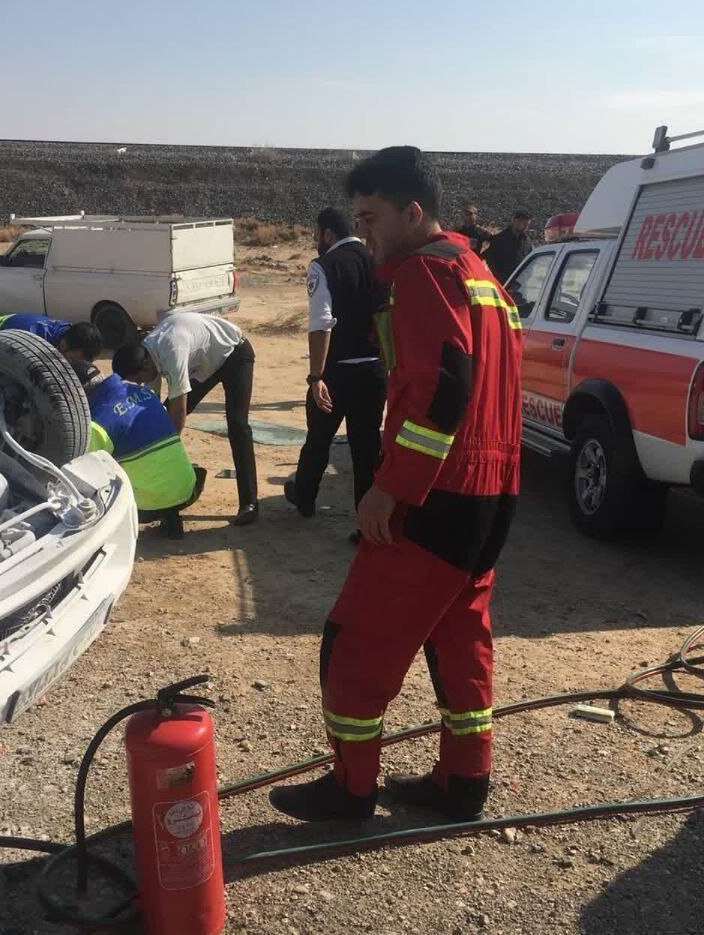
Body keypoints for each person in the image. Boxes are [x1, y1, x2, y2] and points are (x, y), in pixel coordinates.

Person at [269, 146, 523, 823]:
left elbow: (444, 386)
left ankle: (351, 788)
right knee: (458, 636)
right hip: (492, 495)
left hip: (437, 496)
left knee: (354, 638)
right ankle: (464, 781)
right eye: (357, 216)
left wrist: (391, 487)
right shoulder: (483, 277)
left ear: (415, 213)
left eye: (372, 217)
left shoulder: (419, 275)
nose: (366, 232)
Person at [285, 207, 387, 541]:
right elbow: (388, 316)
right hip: (373, 371)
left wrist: (316, 377)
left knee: (318, 439)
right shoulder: (377, 260)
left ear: (328, 233)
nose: (316, 241)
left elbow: (321, 323)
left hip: (335, 376)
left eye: (317, 235)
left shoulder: (324, 266)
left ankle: (305, 498)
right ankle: (366, 524)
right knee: (366, 447)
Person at [112, 312, 259, 526]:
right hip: (205, 363)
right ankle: (169, 506)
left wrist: (165, 452)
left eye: (139, 380)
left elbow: (178, 412)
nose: (141, 383)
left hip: (235, 352)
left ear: (145, 366)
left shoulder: (173, 352)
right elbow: (153, 408)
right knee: (161, 418)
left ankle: (250, 503)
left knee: (237, 425)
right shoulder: (147, 353)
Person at [71, 360, 206, 539]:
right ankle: (171, 515)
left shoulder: (98, 422)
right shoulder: (146, 393)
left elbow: (84, 472)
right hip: (188, 490)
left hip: (144, 508)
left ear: (81, 392)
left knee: (87, 482)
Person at [0, 313, 104, 361]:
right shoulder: (34, 344)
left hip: (11, 322)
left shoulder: (70, 332)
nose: (72, 364)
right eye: (72, 360)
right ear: (64, 345)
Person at [485, 210, 532, 282]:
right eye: (524, 223)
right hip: (503, 283)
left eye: (527, 224)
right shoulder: (500, 238)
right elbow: (491, 261)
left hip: (521, 284)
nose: (526, 226)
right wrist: (501, 279)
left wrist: (525, 278)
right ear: (514, 221)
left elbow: (530, 263)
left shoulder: (527, 241)